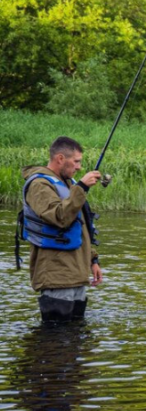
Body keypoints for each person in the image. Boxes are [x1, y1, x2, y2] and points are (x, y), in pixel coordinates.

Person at [21, 136, 103, 322]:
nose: (79, 167)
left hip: (76, 272)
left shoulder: (69, 184)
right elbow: (60, 217)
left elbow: (81, 227)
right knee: (55, 336)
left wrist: (93, 260)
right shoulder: (39, 185)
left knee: (75, 334)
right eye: (76, 161)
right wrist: (81, 187)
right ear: (60, 159)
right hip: (56, 274)